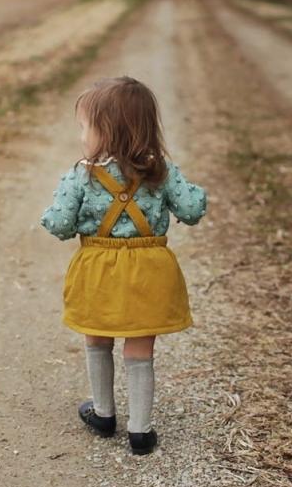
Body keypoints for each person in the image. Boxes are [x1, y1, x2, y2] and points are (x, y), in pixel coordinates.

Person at [40, 76, 207, 455]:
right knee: (140, 346)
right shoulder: (161, 171)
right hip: (150, 270)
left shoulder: (81, 174)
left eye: (85, 127)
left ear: (107, 131)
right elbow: (193, 209)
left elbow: (59, 223)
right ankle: (140, 432)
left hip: (98, 268)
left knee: (97, 335)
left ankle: (103, 414)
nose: (82, 136)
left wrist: (51, 218)